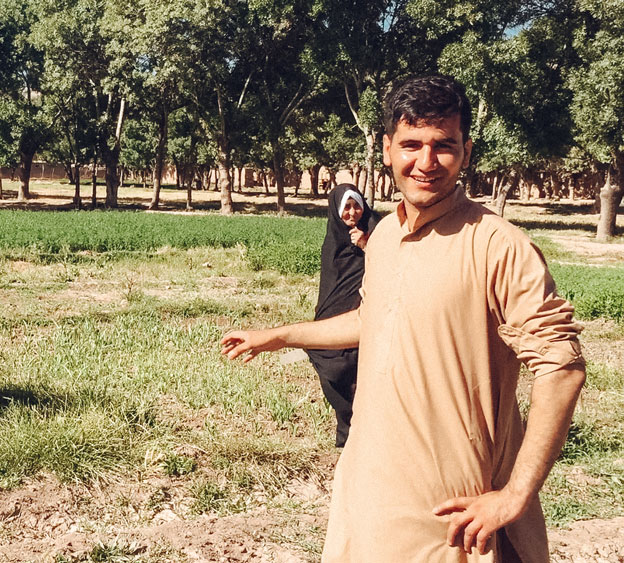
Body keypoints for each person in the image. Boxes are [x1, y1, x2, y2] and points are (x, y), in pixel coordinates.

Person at [221, 75, 585, 561]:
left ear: (467, 151)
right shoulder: (386, 236)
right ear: (388, 149)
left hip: (454, 516)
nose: (426, 162)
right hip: (370, 493)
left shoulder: (498, 245)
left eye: (444, 145)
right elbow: (374, 320)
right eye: (411, 144)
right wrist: (281, 335)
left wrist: (514, 495)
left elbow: (562, 369)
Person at [306, 183, 379, 447]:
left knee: (360, 375)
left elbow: (392, 264)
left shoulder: (378, 232)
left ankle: (354, 437)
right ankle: (347, 427)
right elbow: (329, 286)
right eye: (346, 207)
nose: (352, 212)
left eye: (356, 205)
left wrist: (366, 245)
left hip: (365, 315)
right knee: (328, 363)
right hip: (335, 314)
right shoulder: (332, 241)